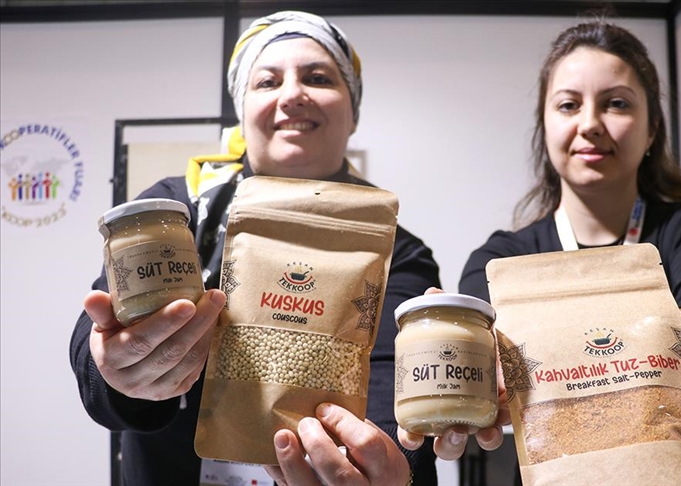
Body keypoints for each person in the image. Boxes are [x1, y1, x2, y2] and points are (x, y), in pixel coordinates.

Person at [70, 11, 441, 486]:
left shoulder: (394, 250)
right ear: (242, 112)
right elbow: (96, 344)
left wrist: (387, 463)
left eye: (318, 78)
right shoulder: (176, 215)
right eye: (267, 82)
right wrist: (115, 370)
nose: (292, 95)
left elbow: (399, 393)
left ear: (353, 112)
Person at [455, 21, 681, 485]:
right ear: (545, 125)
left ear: (652, 129)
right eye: (568, 105)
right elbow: (483, 340)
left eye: (616, 103)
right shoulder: (502, 262)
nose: (590, 124)